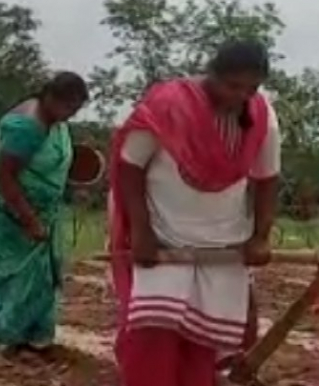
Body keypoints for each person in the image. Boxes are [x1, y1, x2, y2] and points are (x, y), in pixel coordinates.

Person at [108, 39, 280, 386]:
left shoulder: (263, 116)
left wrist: (260, 237)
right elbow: (129, 167)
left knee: (203, 343)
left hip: (226, 245)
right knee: (151, 336)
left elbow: (266, 180)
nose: (241, 96)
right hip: (162, 238)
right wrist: (141, 231)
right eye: (233, 86)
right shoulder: (168, 105)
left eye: (252, 88)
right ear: (212, 75)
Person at [0, 72, 89, 355]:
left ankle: (31, 335)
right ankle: (0, 338)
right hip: (1, 207)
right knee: (5, 269)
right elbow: (4, 175)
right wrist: (29, 220)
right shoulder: (25, 126)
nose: (70, 114)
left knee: (40, 270)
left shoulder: (54, 123)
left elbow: (47, 163)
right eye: (67, 106)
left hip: (39, 206)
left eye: (76, 109)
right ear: (49, 97)